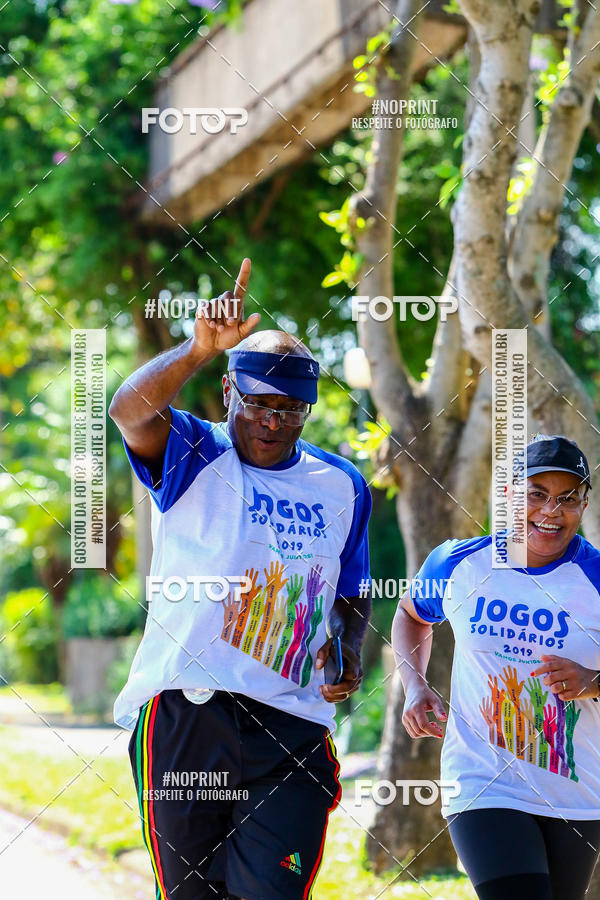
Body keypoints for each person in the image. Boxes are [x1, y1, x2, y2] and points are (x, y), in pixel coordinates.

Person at [109, 258, 372, 900]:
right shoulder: (194, 451)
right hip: (185, 716)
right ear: (230, 392)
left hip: (289, 726)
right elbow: (126, 410)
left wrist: (348, 648)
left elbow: (351, 589)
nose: (273, 422)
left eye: (290, 410)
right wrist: (200, 347)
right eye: (258, 403)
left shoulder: (342, 485)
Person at [392, 433, 600, 900]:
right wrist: (415, 684)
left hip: (577, 791)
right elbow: (410, 615)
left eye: (567, 499)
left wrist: (592, 682)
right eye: (537, 495)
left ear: (584, 504)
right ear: (508, 495)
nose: (551, 511)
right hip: (483, 781)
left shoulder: (596, 578)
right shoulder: (459, 562)